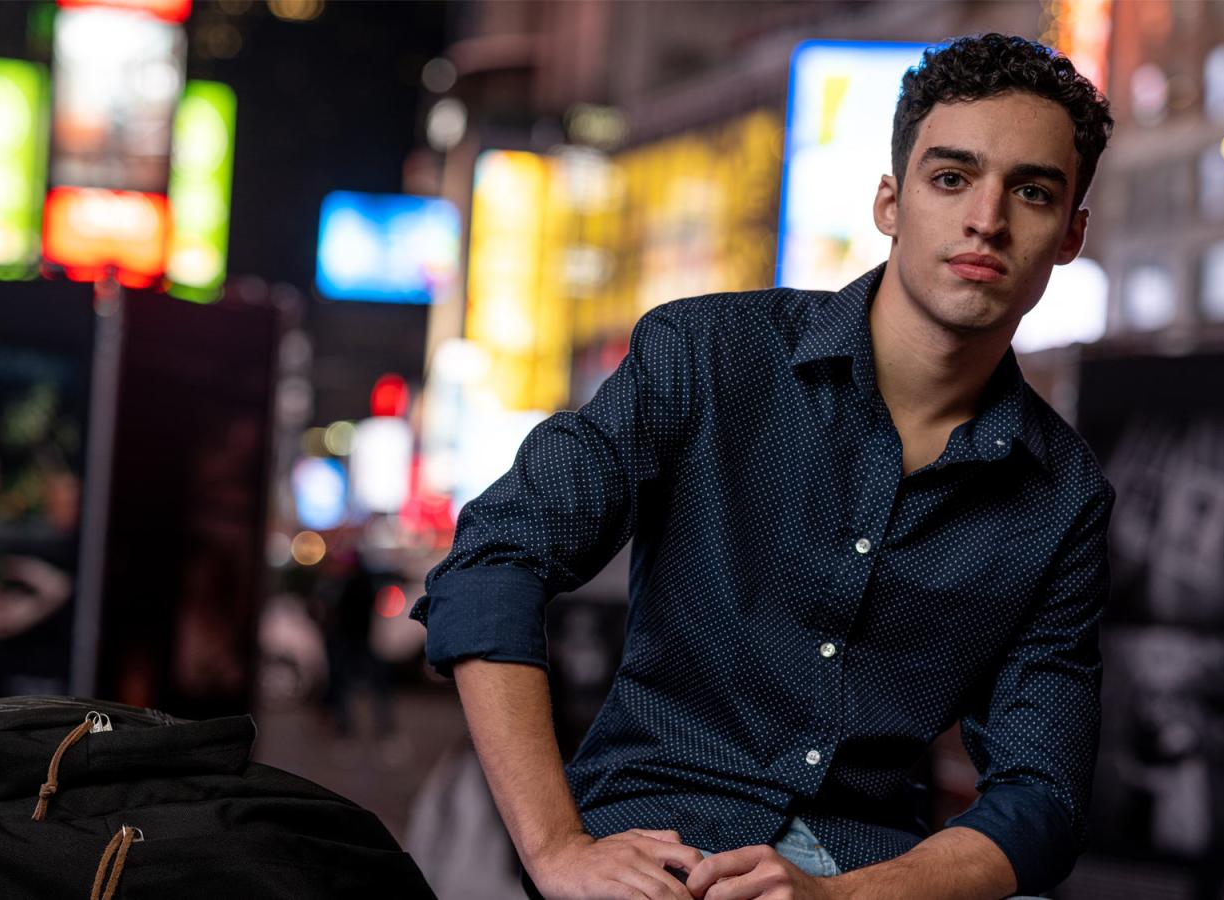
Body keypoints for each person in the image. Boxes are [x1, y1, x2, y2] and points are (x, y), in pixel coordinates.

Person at [411, 33, 1115, 900]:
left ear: (1071, 232)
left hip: (871, 873)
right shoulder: (706, 355)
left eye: (1033, 191)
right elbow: (493, 557)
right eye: (951, 177)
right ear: (890, 202)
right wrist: (556, 847)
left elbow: (1041, 797)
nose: (987, 219)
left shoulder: (1064, 494)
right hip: (649, 845)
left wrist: (838, 897)